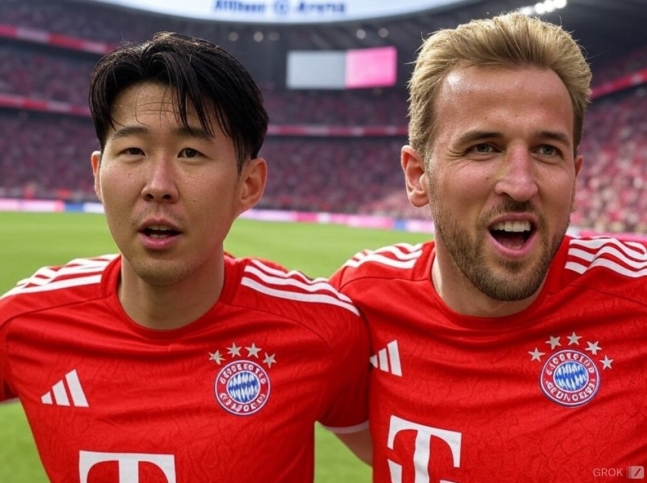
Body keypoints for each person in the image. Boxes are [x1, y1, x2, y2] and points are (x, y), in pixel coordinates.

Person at [0, 32, 371, 482]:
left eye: (190, 153)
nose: (158, 185)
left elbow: (409, 455)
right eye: (133, 151)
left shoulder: (321, 329)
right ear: (98, 175)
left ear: (248, 185)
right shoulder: (24, 321)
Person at [330, 11, 647, 482]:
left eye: (547, 150)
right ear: (418, 176)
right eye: (483, 147)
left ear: (576, 175)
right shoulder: (357, 305)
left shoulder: (637, 299)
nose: (520, 184)